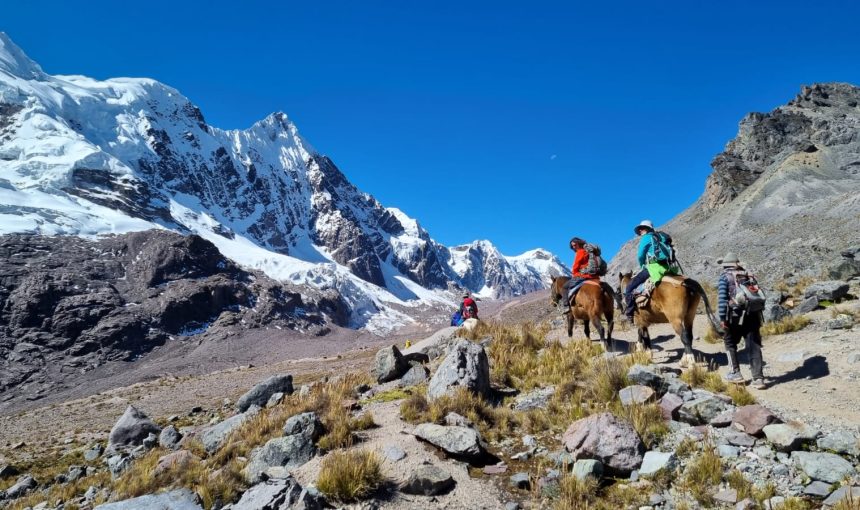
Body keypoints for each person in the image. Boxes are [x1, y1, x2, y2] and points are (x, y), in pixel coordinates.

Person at [717, 253, 766, 389]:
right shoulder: (748, 275)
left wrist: (722, 319)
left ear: (726, 265)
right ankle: (758, 378)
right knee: (753, 345)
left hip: (735, 316)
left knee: (730, 342)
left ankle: (735, 373)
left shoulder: (725, 277)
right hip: (753, 315)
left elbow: (722, 300)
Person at [623, 219, 674, 321]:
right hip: (668, 267)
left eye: (641, 229)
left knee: (628, 288)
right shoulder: (659, 237)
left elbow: (641, 255)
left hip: (654, 268)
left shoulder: (647, 238)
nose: (640, 231)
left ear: (646, 229)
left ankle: (629, 314)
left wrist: (642, 265)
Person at [561, 237, 598, 310]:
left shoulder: (580, 252)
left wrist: (575, 275)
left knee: (564, 287)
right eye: (572, 246)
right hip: (594, 276)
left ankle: (566, 306)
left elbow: (576, 266)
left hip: (583, 276)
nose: (574, 247)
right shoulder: (588, 251)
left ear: (579, 243)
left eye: (575, 245)